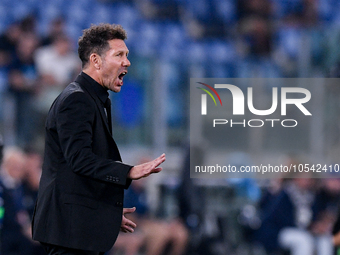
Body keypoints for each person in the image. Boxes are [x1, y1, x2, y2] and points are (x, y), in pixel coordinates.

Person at [31, 23, 166, 255]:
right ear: (96, 60)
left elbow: (76, 175)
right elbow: (80, 160)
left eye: (128, 55)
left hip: (79, 228)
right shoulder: (77, 100)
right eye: (119, 55)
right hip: (69, 233)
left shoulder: (95, 99)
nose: (127, 62)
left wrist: (105, 213)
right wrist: (128, 171)